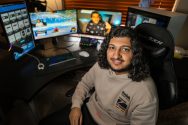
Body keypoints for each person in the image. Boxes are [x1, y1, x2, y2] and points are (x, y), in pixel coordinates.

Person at [39, 26, 158, 125]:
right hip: (88, 109)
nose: (116, 55)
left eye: (125, 49)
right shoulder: (102, 65)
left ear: (135, 53)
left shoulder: (145, 93)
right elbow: (85, 84)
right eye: (112, 47)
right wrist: (75, 106)